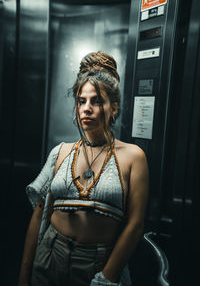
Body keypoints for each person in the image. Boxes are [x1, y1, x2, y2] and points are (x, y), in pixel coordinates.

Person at [18, 51, 149, 286]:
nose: (86, 108)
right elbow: (39, 215)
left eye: (96, 101)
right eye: (81, 101)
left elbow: (135, 224)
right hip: (49, 257)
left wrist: (107, 276)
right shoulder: (61, 152)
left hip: (95, 264)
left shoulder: (133, 157)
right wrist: (23, 277)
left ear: (114, 108)